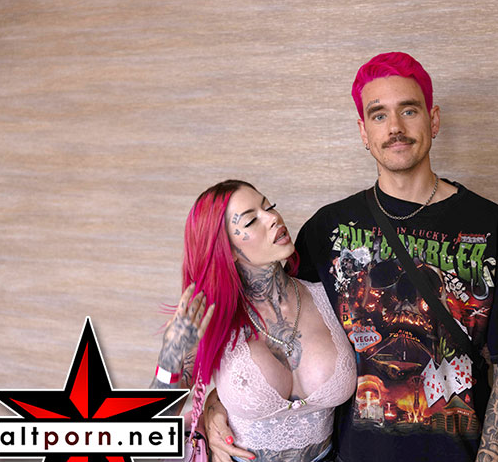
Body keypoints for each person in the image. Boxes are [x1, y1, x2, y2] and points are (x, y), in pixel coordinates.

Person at [205, 52, 498, 461]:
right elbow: (271, 331)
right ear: (363, 132)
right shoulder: (326, 230)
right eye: (378, 115)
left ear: (433, 120)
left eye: (409, 110)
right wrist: (214, 406)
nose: (395, 128)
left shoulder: (492, 227)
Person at [151, 180, 357, 462]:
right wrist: (169, 358)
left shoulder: (330, 297)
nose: (273, 218)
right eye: (251, 220)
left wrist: (214, 403)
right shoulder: (210, 320)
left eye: (269, 207)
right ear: (227, 250)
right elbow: (151, 432)